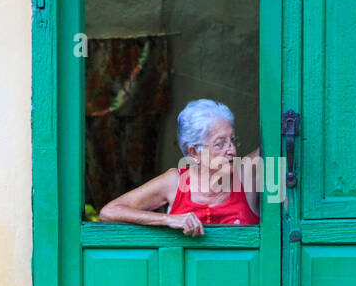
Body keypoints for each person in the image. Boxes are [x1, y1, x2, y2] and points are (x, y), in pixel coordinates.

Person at [98, 98, 260, 236]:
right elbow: (109, 212)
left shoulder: (246, 173)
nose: (232, 150)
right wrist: (167, 220)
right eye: (220, 144)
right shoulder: (175, 182)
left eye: (232, 140)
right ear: (195, 153)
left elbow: (278, 144)